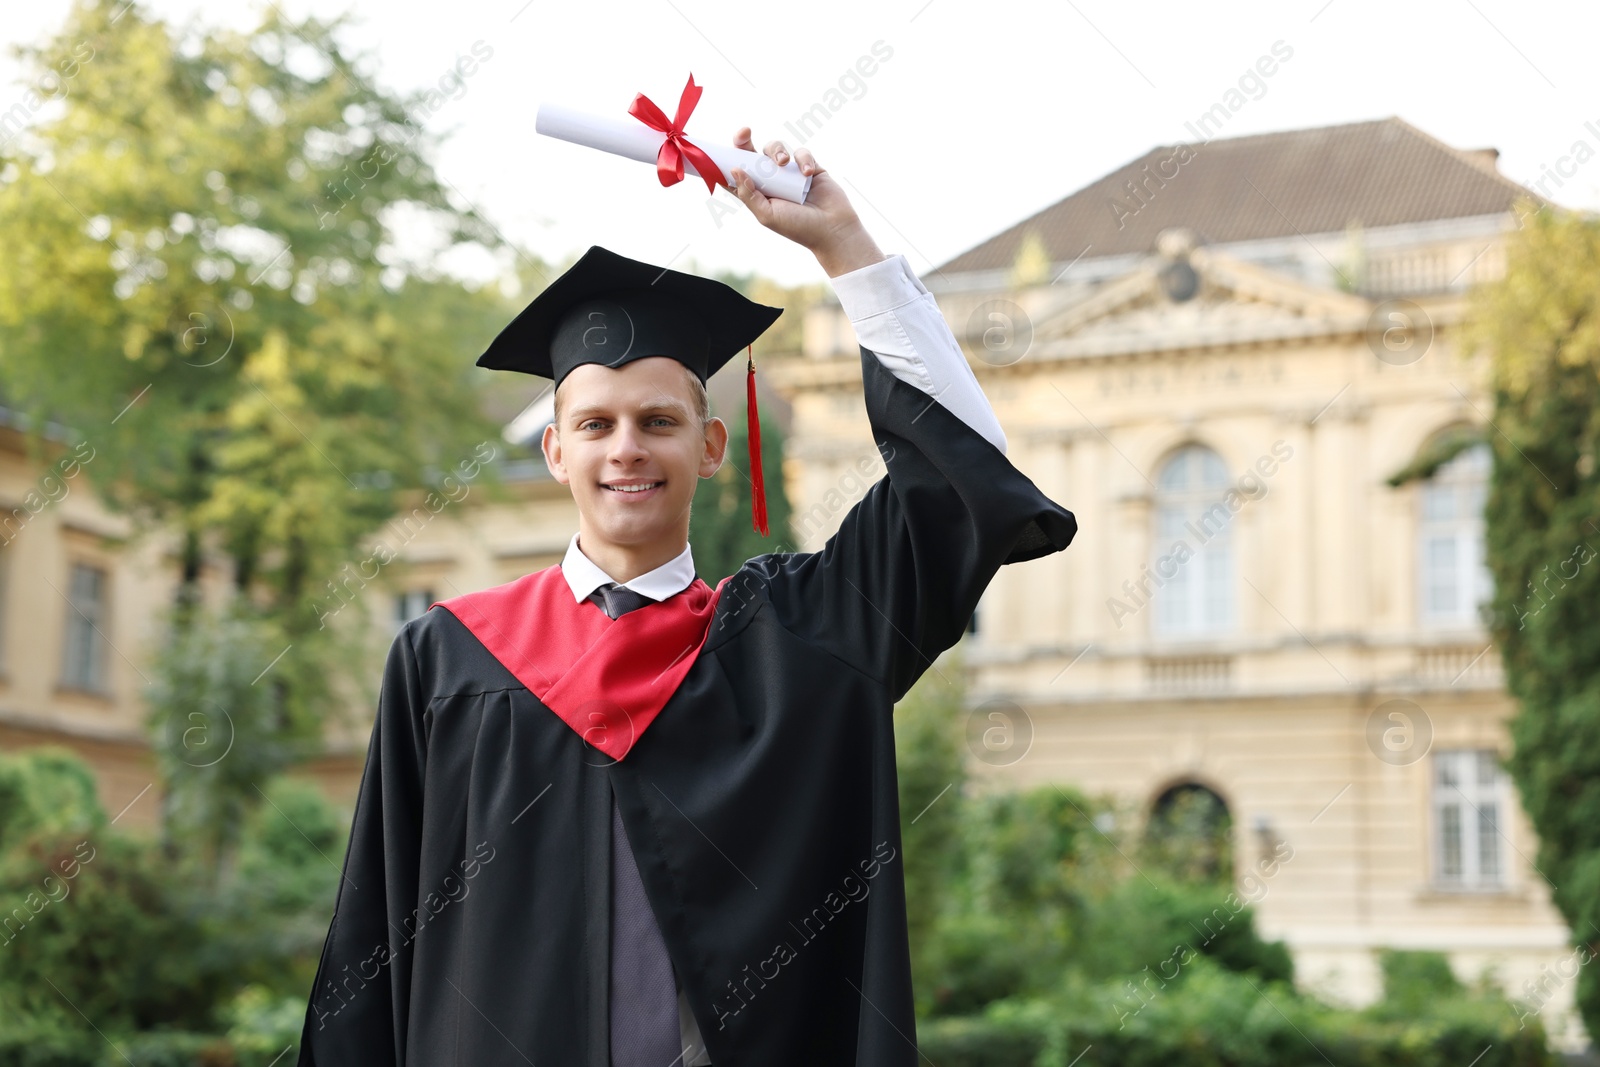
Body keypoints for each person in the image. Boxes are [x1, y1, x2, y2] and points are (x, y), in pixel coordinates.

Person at [295, 129, 1076, 1066]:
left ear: (710, 447)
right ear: (556, 453)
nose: (626, 448)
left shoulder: (798, 637)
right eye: (595, 424)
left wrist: (847, 249)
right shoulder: (448, 656)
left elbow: (960, 487)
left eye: (659, 421)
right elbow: (371, 941)